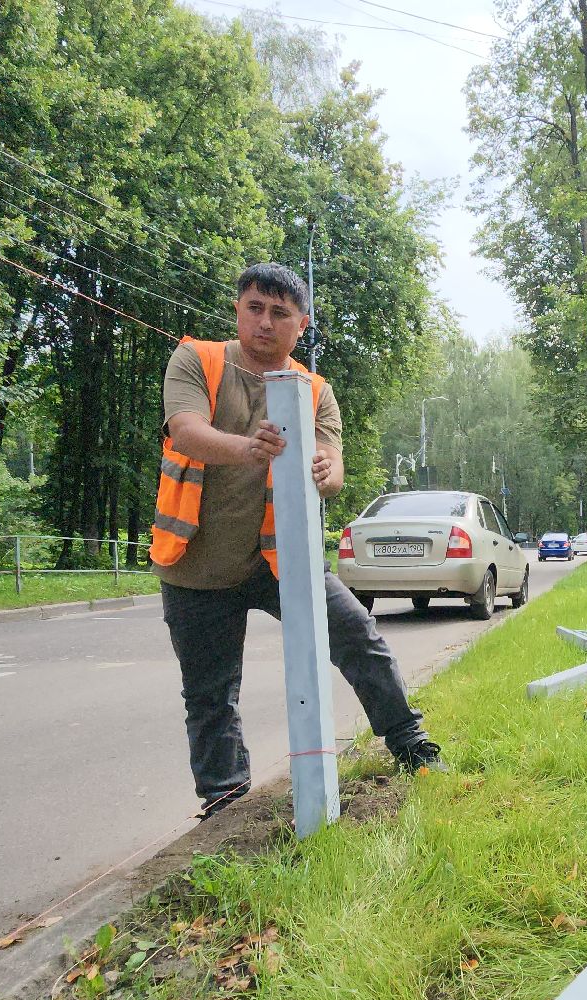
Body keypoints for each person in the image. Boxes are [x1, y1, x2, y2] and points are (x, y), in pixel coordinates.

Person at [151, 263, 441, 817]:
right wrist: (248, 447)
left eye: (279, 314)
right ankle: (226, 801)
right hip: (197, 566)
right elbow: (186, 430)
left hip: (282, 560)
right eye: (255, 308)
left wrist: (322, 471)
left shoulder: (315, 391)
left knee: (357, 634)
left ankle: (410, 743)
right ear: (238, 309)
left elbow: (332, 469)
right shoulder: (197, 360)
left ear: (301, 325)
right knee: (210, 694)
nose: (265, 322)